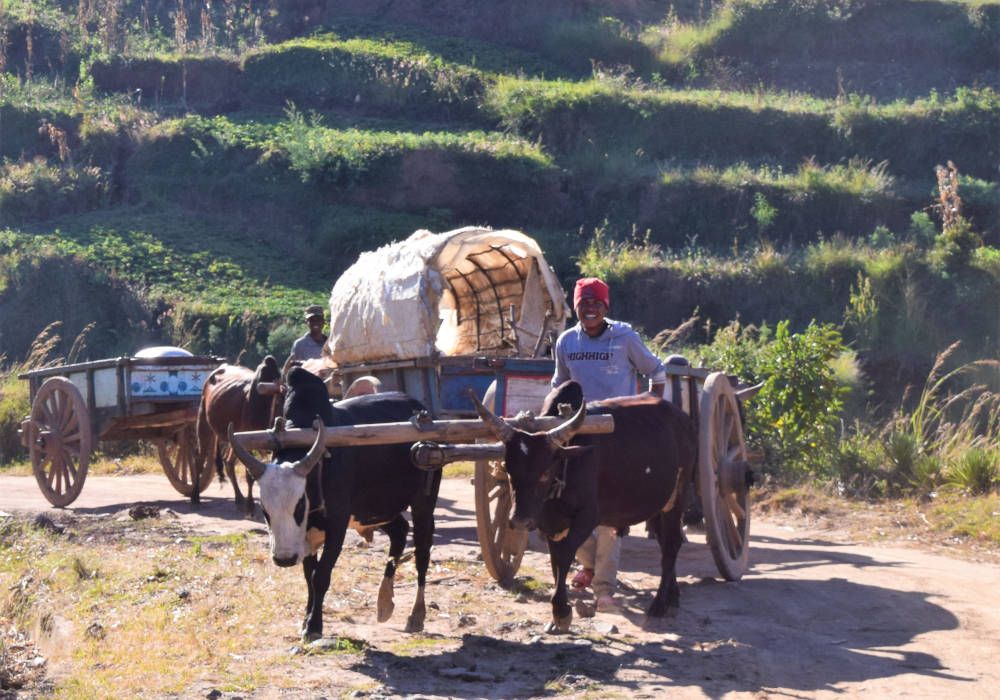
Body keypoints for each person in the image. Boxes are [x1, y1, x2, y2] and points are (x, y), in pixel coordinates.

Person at [551, 277, 666, 612]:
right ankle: (588, 564)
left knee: (608, 515)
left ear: (606, 307)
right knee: (569, 507)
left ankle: (604, 588)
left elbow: (656, 373)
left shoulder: (625, 338)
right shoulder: (566, 341)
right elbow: (558, 383)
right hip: (577, 432)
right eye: (584, 303)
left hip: (617, 436)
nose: (590, 309)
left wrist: (649, 410)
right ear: (575, 306)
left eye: (596, 303)